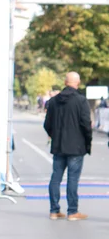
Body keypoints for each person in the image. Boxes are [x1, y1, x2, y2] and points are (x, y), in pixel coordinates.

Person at [44, 71, 91, 221]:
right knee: (72, 179)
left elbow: (47, 124)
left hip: (58, 146)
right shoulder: (81, 101)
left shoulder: (53, 101)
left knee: (56, 177)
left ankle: (54, 210)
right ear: (78, 83)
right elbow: (86, 124)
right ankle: (72, 211)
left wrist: (54, 135)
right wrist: (87, 141)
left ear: (65, 82)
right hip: (76, 147)